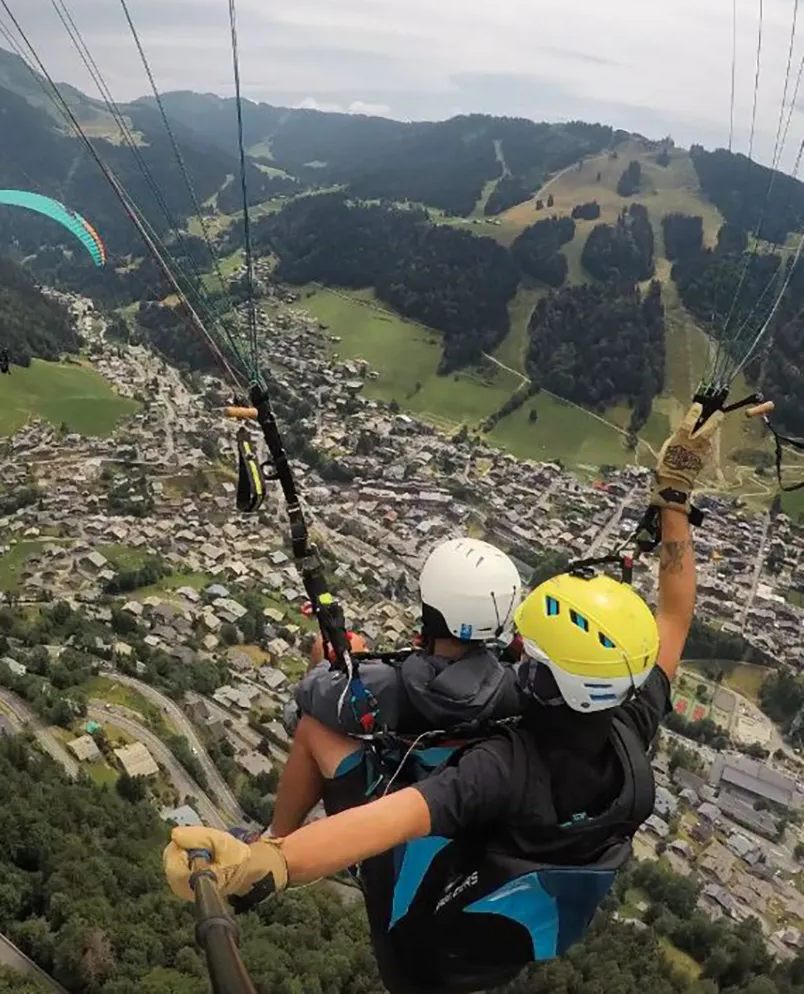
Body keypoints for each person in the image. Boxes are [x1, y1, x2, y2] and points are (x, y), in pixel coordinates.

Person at [164, 401, 719, 993]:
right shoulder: (629, 724)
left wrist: (268, 863)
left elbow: (383, 823)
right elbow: (675, 618)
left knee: (318, 735)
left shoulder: (503, 769)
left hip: (417, 952)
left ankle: (273, 833)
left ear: (545, 679)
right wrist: (674, 501)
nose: (518, 655)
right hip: (493, 952)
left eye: (529, 653)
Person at [263, 537, 525, 843]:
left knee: (311, 726)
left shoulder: (392, 686)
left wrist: (344, 653)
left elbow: (311, 693)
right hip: (451, 791)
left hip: (393, 795)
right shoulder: (513, 683)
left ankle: (273, 840)